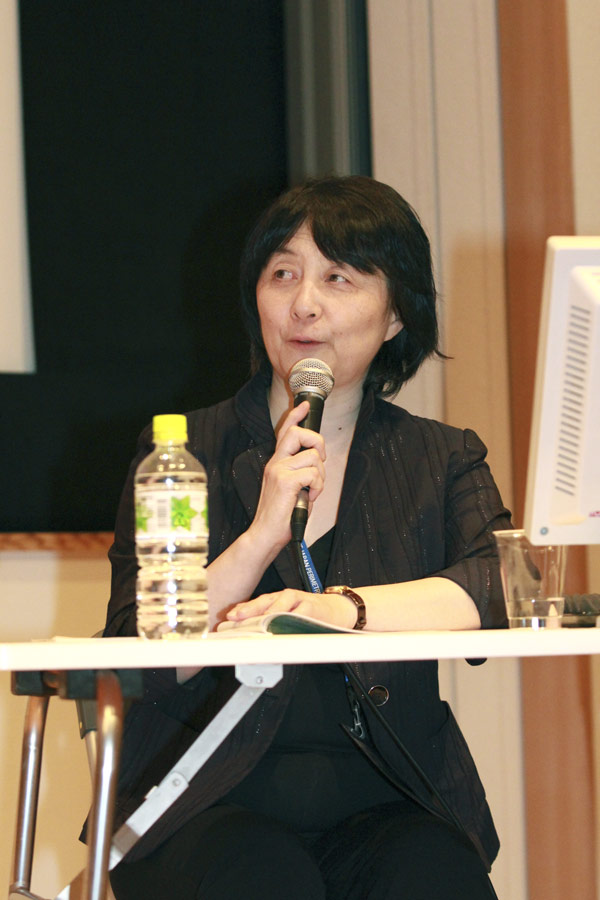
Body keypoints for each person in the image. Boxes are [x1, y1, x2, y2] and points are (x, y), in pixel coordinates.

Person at [105, 175, 511, 900]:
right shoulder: (183, 452)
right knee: (265, 880)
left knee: (434, 877)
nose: (304, 304)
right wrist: (262, 535)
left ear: (395, 315)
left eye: (339, 278)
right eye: (283, 274)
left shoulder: (439, 457)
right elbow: (139, 652)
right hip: (202, 799)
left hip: (389, 796)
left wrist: (341, 609)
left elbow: (499, 585)